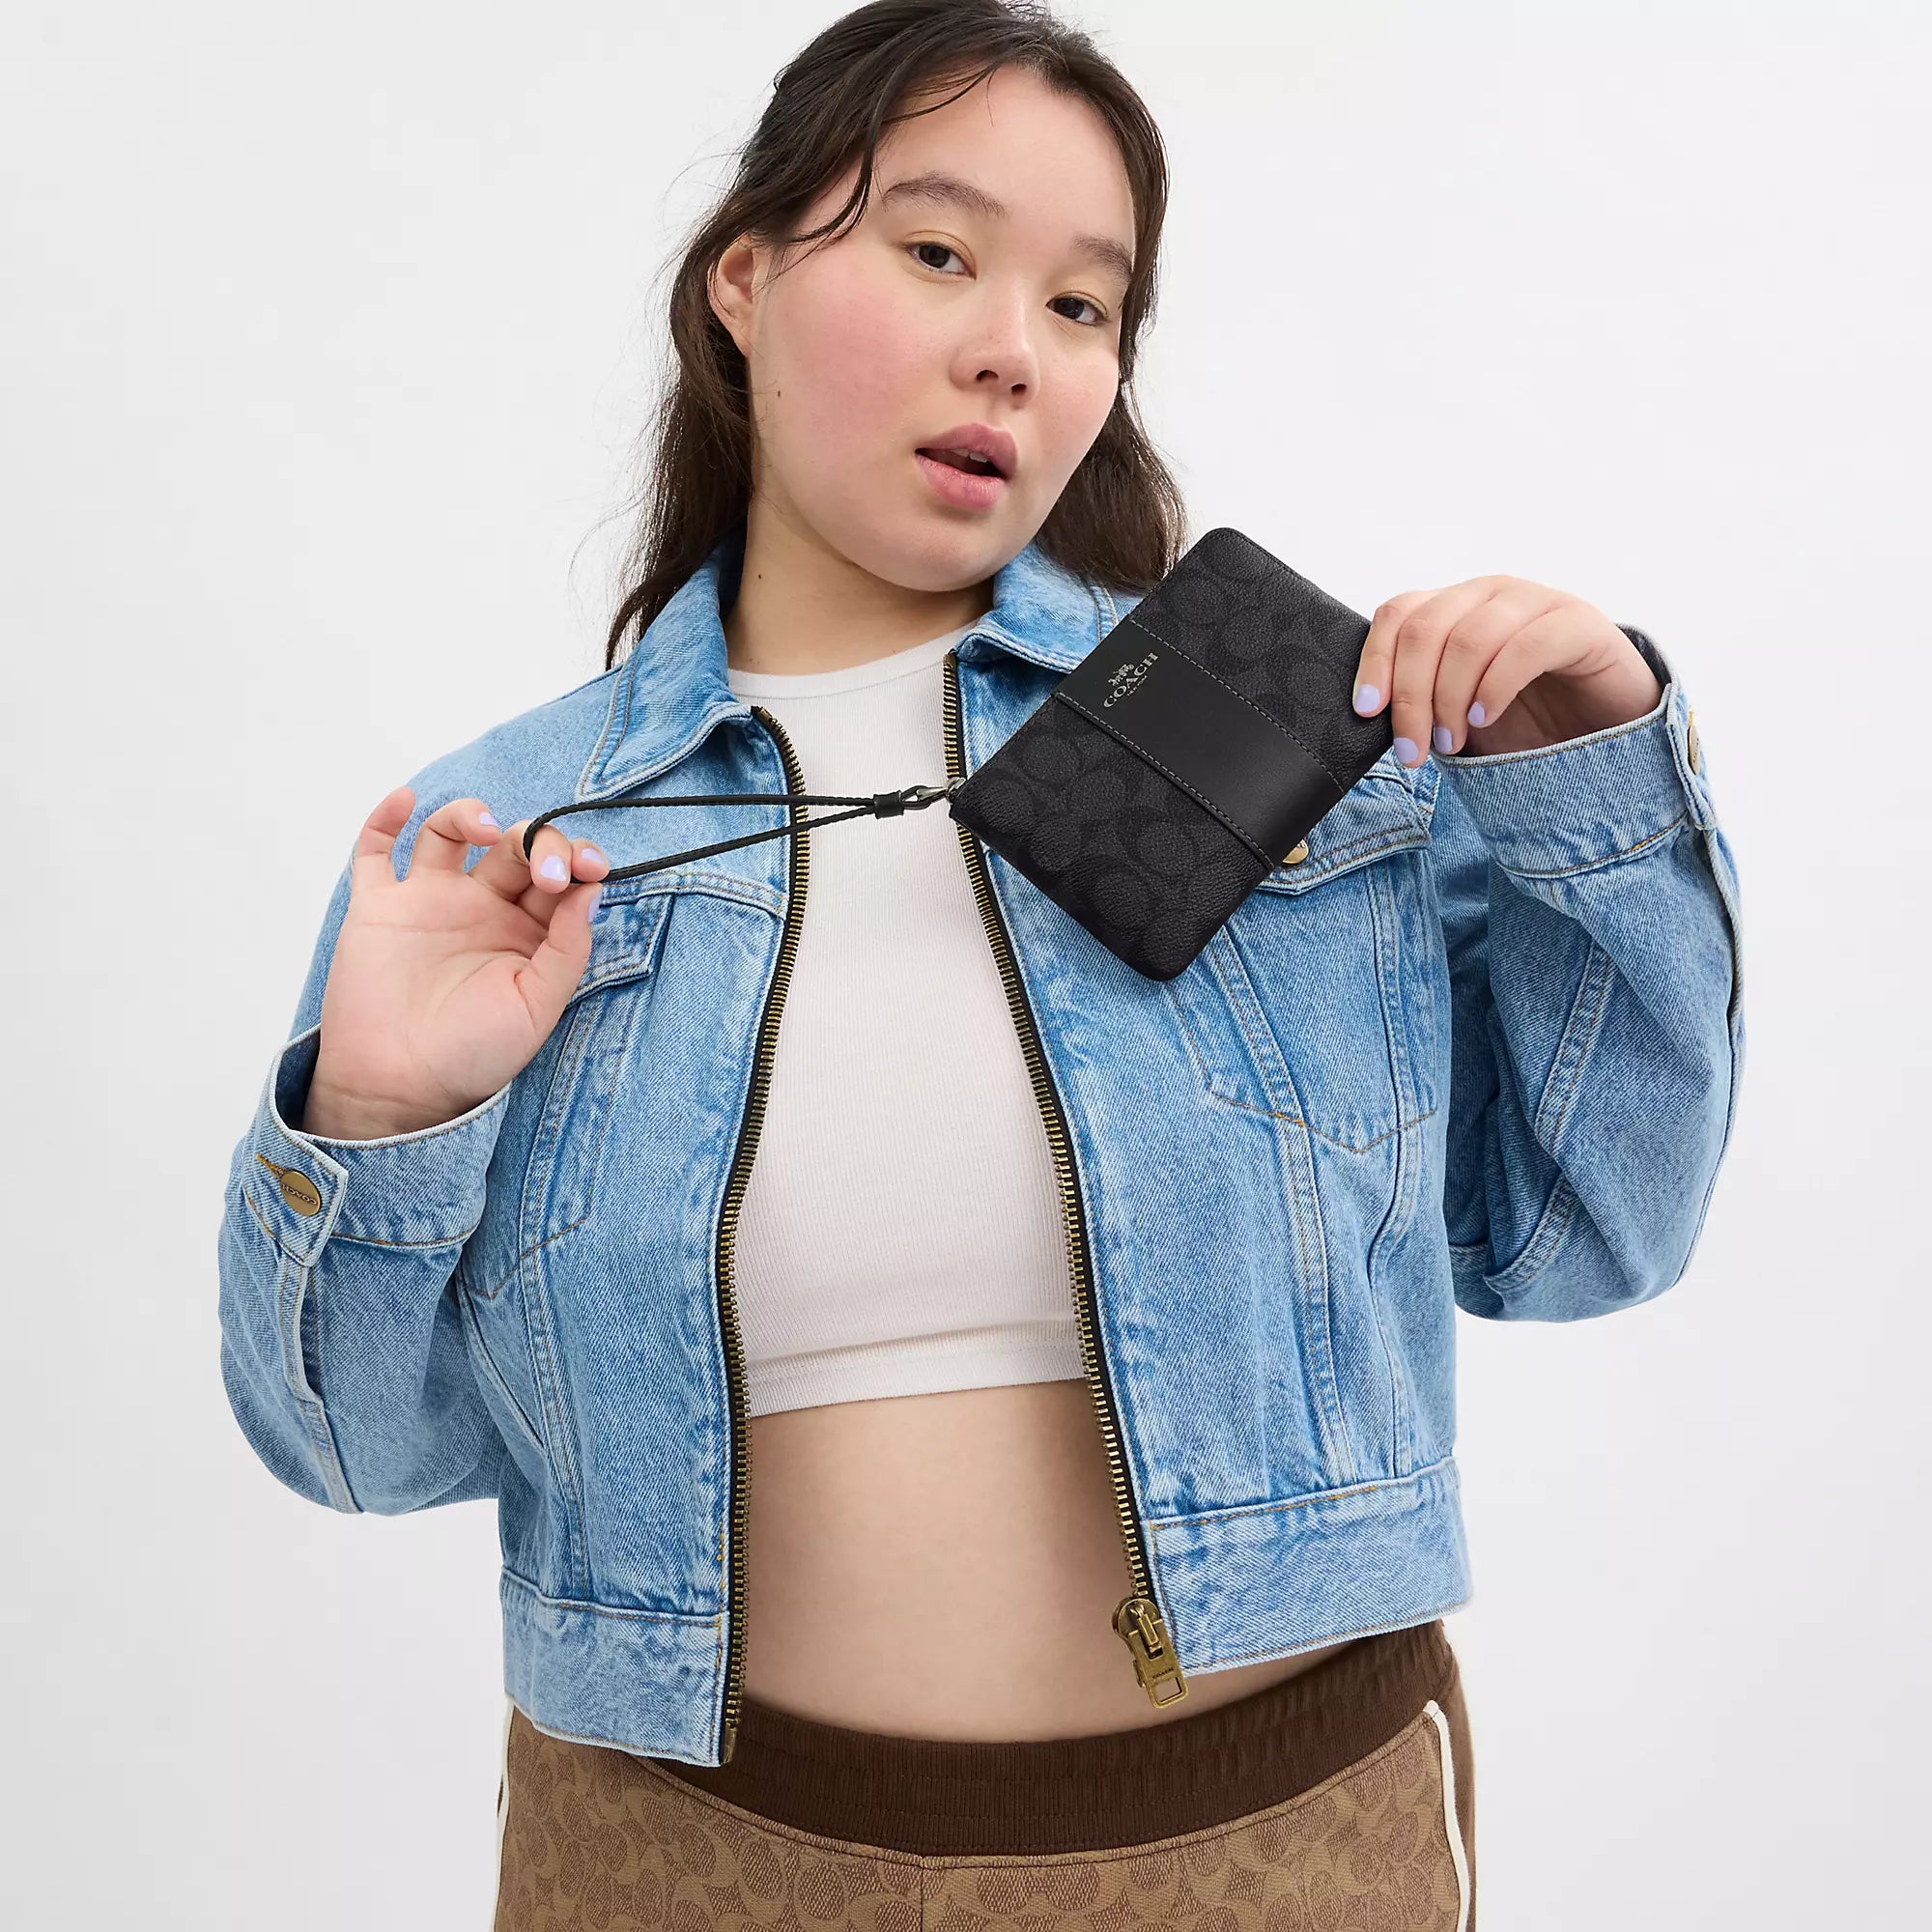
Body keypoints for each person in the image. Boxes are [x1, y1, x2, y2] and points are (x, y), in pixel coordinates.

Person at [215, 5, 1744, 1926]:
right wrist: (380, 1111)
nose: (1013, 345)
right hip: (678, 1867)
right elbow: (359, 1451)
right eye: (938, 251)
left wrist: (1590, 782)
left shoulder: (1287, 734)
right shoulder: (510, 834)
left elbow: (1581, 1233)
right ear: (744, 282)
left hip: (1277, 1851)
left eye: (1085, 304)